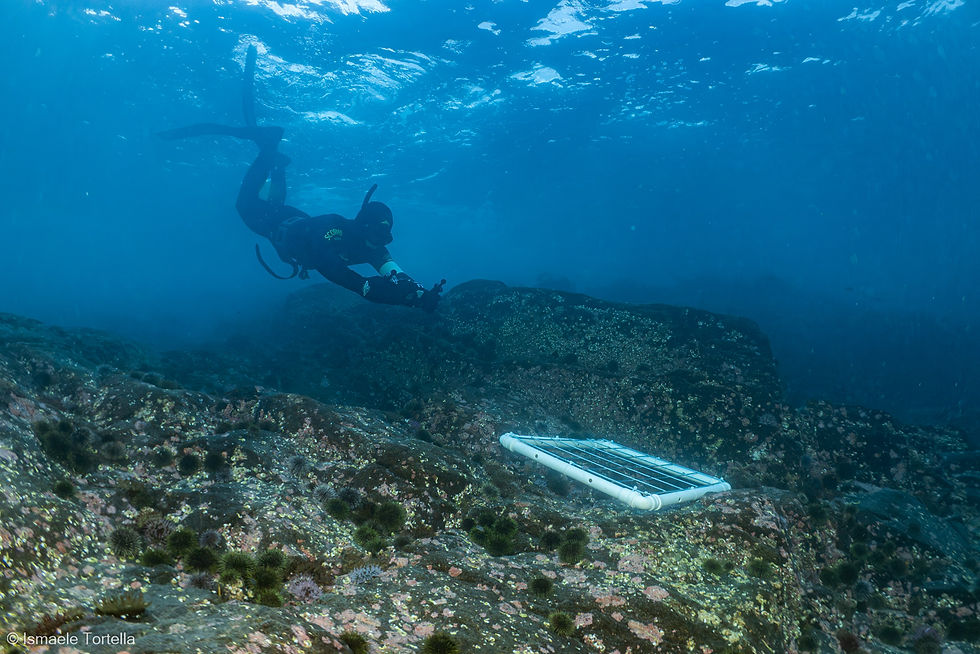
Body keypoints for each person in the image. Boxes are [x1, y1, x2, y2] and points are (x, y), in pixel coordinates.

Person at [159, 46, 444, 311]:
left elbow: (395, 273)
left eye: (385, 234)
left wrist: (417, 294)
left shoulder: (374, 247)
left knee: (274, 203)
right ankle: (268, 151)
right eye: (377, 233)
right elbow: (326, 261)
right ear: (362, 226)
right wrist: (363, 286)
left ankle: (276, 163)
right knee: (245, 206)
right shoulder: (335, 230)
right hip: (282, 225)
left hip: (292, 219)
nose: (380, 240)